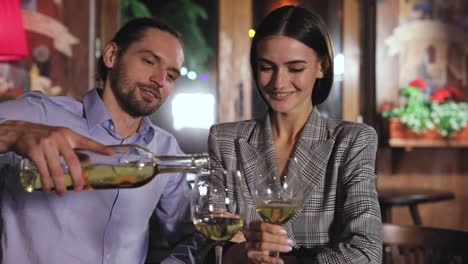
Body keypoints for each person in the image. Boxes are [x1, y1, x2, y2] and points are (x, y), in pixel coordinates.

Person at [0, 18, 197, 263]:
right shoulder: (40, 114)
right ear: (112, 55)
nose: (159, 80)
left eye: (171, 76)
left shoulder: (165, 149)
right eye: (148, 61)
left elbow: (191, 237)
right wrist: (11, 133)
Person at [208, 5, 382, 264]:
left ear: (322, 66)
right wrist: (242, 253)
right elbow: (206, 246)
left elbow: (367, 253)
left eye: (295, 68)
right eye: (267, 67)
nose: (279, 83)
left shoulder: (352, 141)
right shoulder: (225, 140)